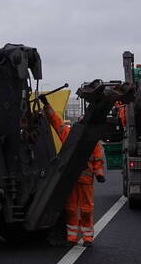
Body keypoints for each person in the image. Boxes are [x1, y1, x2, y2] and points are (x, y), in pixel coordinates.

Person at [42, 97, 106, 247]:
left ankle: (87, 238)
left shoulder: (92, 142)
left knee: (86, 210)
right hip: (72, 181)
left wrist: (99, 174)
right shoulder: (71, 136)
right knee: (71, 209)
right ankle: (72, 237)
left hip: (83, 181)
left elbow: (97, 160)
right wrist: (47, 107)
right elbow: (57, 123)